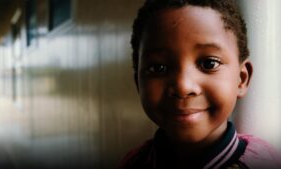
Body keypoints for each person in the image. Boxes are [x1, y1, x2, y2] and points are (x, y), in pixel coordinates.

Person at [120, 0, 281, 168]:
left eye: (209, 64)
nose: (183, 86)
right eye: (158, 68)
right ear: (138, 83)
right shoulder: (133, 163)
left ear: (241, 78)